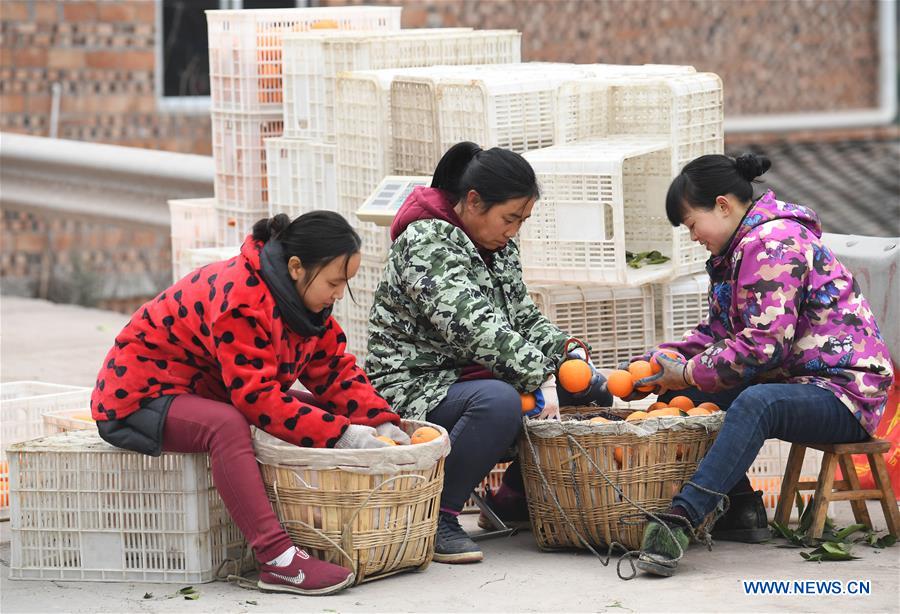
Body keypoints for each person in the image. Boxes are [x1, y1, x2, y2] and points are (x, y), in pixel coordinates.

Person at [90, 211, 408, 595]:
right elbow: (258, 400)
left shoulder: (305, 305)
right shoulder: (241, 300)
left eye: (345, 284)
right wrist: (343, 436)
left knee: (318, 412)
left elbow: (334, 371)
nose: (339, 293)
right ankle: (277, 560)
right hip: (141, 394)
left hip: (205, 386)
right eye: (334, 282)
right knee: (227, 425)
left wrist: (378, 421)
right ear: (296, 267)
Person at [626, 153, 894, 577]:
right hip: (800, 381)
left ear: (723, 206)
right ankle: (743, 510)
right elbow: (718, 335)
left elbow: (763, 346)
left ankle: (681, 519)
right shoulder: (736, 252)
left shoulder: (774, 244)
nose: (693, 237)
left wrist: (692, 370)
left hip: (845, 392)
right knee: (683, 393)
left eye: (692, 224)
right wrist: (667, 360)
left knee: (755, 403)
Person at [365, 142, 613, 564]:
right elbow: (475, 328)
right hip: (414, 386)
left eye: (522, 220)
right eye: (509, 218)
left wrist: (568, 353)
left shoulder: (499, 248)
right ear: (474, 202)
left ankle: (514, 496)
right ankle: (436, 516)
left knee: (592, 392)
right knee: (499, 403)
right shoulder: (425, 243)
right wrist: (542, 375)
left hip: (470, 378)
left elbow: (521, 316)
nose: (514, 229)